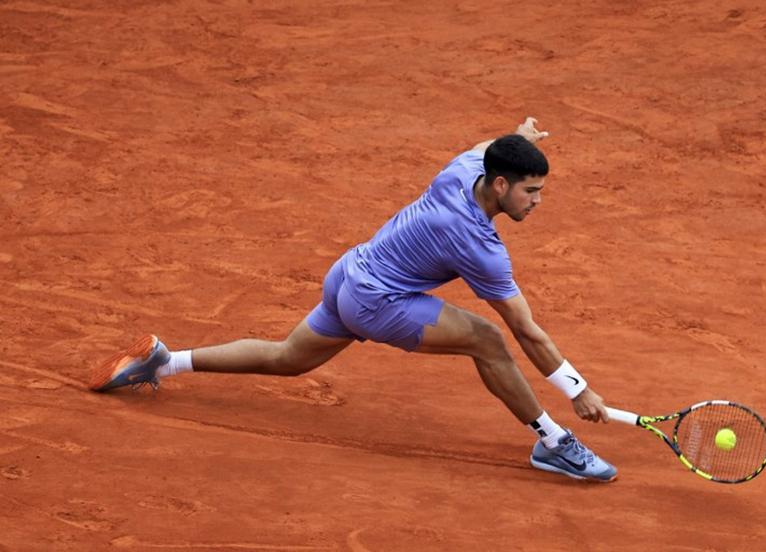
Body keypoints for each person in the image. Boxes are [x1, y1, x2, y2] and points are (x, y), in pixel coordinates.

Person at [89, 117, 617, 482]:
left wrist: (518, 136)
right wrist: (578, 390)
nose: (538, 202)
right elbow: (529, 331)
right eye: (531, 191)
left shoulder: (463, 170)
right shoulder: (479, 246)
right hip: (379, 300)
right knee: (489, 340)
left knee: (287, 358)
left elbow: (486, 146)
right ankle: (553, 444)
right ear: (500, 186)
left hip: (349, 274)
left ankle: (166, 360)